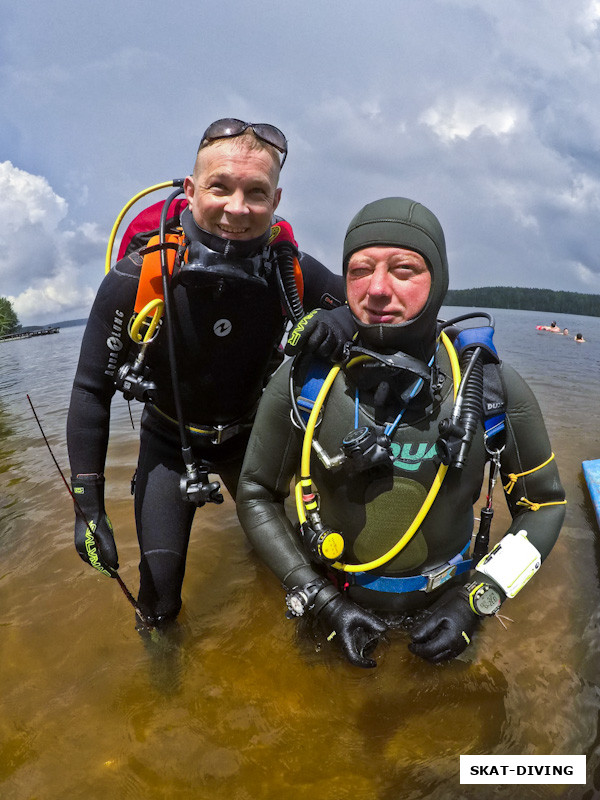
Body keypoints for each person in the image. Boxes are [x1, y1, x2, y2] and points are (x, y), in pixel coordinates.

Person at [236, 196, 566, 668]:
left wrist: (478, 599)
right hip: (332, 603)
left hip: (448, 613)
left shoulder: (488, 388)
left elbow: (544, 504)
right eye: (360, 270)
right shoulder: (306, 381)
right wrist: (318, 598)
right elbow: (255, 492)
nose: (376, 289)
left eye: (404, 270)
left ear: (440, 280)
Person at [67, 118, 345, 629]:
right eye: (220, 186)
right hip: (170, 445)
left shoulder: (292, 269)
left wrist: (334, 319)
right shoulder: (137, 278)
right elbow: (90, 392)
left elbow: (371, 310)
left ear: (276, 199)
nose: (237, 209)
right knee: (158, 606)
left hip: (254, 442)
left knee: (301, 575)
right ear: (192, 189)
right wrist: (87, 507)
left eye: (256, 192)